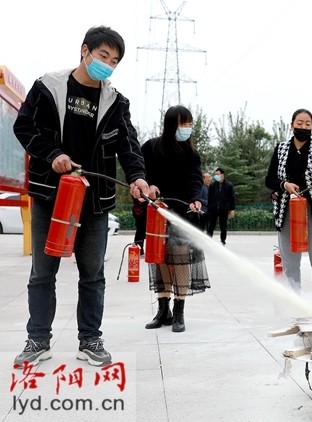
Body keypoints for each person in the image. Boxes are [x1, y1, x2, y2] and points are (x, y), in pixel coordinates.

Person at [12, 26, 151, 367]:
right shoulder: (49, 87)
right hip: (50, 196)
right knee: (43, 272)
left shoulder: (115, 102)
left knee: (93, 274)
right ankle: (37, 340)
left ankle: (90, 339)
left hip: (94, 202)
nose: (108, 64)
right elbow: (24, 126)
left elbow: (128, 145)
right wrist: (51, 154)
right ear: (85, 50)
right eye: (103, 56)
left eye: (115, 61)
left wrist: (138, 178)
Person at [142, 105, 210, 333]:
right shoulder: (151, 148)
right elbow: (142, 173)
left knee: (180, 257)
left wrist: (195, 199)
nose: (187, 128)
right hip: (157, 210)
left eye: (190, 124)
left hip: (182, 210)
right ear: (171, 123)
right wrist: (149, 186)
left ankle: (179, 310)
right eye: (183, 124)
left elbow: (194, 179)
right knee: (159, 257)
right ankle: (163, 310)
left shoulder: (191, 153)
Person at [265, 108, 312, 291]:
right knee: (290, 263)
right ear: (292, 125)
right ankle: (293, 303)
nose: (303, 127)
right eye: (299, 123)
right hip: (288, 210)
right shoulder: (281, 149)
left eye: (308, 124)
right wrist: (285, 185)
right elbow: (269, 179)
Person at [206, 167, 236, 245]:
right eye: (215, 175)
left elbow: (232, 198)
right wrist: (209, 207)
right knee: (211, 225)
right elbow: (210, 197)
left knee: (223, 225)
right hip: (214, 208)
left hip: (224, 208)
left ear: (222, 175)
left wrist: (232, 209)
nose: (216, 176)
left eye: (218, 174)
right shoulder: (212, 185)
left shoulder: (228, 185)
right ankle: (208, 239)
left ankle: (223, 240)